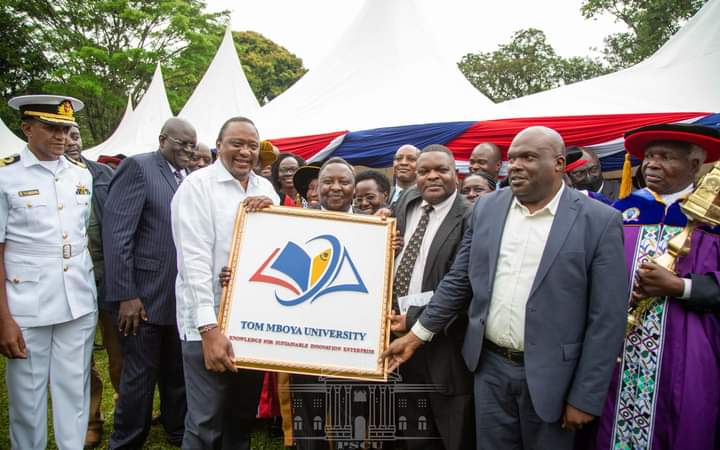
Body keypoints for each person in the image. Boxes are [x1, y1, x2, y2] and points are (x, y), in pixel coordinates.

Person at [383, 126, 628, 450]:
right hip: (490, 370)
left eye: (528, 157)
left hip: (555, 378)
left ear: (558, 163)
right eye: (512, 159)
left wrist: (586, 396)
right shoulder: (487, 209)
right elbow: (460, 280)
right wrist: (417, 335)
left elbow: (607, 318)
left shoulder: (599, 221)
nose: (515, 166)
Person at [591, 123, 720, 450]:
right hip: (618, 345)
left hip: (690, 343)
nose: (652, 164)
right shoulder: (621, 212)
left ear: (694, 165)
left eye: (666, 157)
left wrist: (681, 287)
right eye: (649, 156)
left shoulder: (712, 221)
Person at [172, 116, 279, 449]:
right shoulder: (197, 186)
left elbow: (277, 247)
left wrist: (273, 212)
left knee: (240, 417)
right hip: (209, 321)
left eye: (251, 145)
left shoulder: (265, 188)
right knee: (205, 421)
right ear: (219, 145)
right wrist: (209, 330)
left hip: (254, 321)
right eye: (236, 143)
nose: (245, 151)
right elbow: (194, 262)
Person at [0, 95, 97, 450]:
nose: (61, 136)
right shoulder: (5, 175)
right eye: (51, 128)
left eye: (66, 129)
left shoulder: (79, 174)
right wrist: (3, 319)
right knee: (27, 396)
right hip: (27, 302)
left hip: (78, 297)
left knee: (74, 388)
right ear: (27, 128)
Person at [103, 117, 195, 448]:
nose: (187, 149)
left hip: (177, 299)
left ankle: (177, 431)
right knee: (139, 378)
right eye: (181, 143)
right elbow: (117, 236)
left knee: (176, 373)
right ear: (162, 139)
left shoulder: (187, 178)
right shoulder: (138, 168)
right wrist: (126, 295)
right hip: (142, 299)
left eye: (191, 144)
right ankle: (126, 440)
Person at [390, 145, 475, 450]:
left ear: (457, 175)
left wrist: (414, 321)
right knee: (411, 430)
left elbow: (465, 286)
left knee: (450, 432)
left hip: (445, 345)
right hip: (396, 336)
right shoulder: (408, 203)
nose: (432, 177)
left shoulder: (471, 217)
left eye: (441, 170)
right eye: (424, 171)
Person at [65, 124, 124, 448]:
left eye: (75, 135)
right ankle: (91, 419)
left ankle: (124, 411)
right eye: (65, 135)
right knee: (80, 356)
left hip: (109, 278)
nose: (71, 142)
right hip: (71, 280)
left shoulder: (104, 174)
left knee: (119, 355)